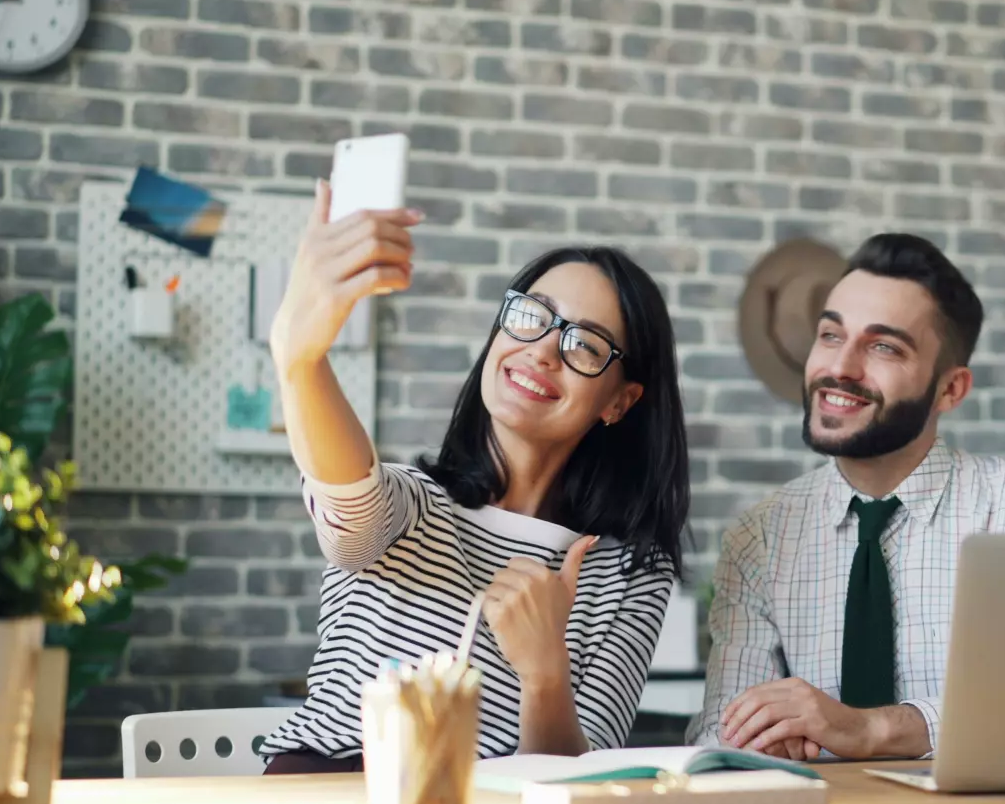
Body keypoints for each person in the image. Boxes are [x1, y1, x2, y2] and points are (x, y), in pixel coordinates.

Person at [259, 180, 690, 773]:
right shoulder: (413, 505)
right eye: (531, 317)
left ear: (620, 400)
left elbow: (577, 784)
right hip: (323, 796)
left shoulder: (628, 572)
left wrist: (544, 671)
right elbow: (350, 501)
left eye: (585, 345)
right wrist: (299, 360)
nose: (542, 351)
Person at [687, 233, 1005, 761]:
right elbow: (724, 735)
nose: (842, 367)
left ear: (951, 389)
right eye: (831, 335)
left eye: (884, 347)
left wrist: (877, 730)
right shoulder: (760, 538)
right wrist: (754, 741)